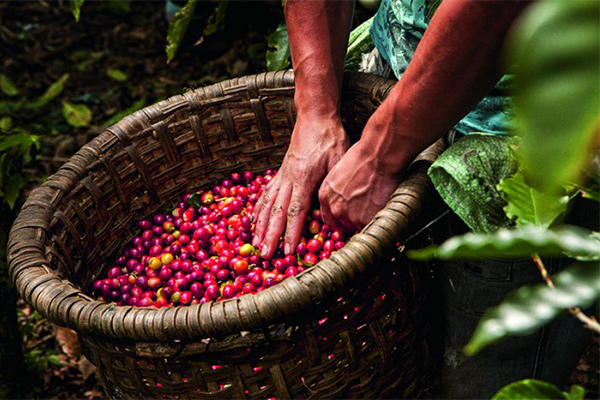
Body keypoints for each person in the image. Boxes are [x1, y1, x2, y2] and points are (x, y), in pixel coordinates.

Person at [252, 0, 593, 398]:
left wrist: (378, 157)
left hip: (528, 127)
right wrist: (315, 110)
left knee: (486, 375)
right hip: (405, 63)